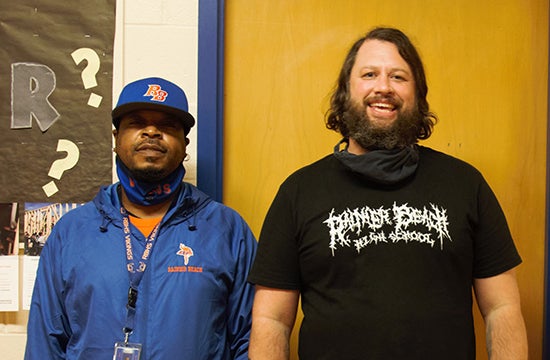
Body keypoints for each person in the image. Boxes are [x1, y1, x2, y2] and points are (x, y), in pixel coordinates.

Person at [247, 27, 528, 360]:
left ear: (418, 95)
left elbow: (502, 308)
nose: (383, 87)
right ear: (345, 92)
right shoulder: (298, 191)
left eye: (398, 77)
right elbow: (272, 320)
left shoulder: (466, 184)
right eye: (369, 74)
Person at [25, 77, 257, 359]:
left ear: (184, 144)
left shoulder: (227, 230)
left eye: (167, 125)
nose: (151, 131)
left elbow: (251, 340)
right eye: (136, 122)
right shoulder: (71, 232)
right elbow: (44, 344)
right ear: (115, 139)